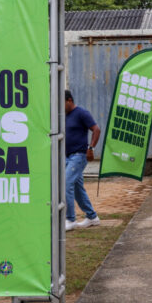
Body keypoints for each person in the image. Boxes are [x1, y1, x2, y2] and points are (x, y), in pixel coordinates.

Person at [64, 90, 101, 230]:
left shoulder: (81, 113)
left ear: (69, 100)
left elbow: (96, 129)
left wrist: (91, 148)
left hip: (79, 156)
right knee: (78, 188)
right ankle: (92, 217)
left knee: (66, 184)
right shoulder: (63, 116)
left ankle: (71, 219)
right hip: (67, 156)